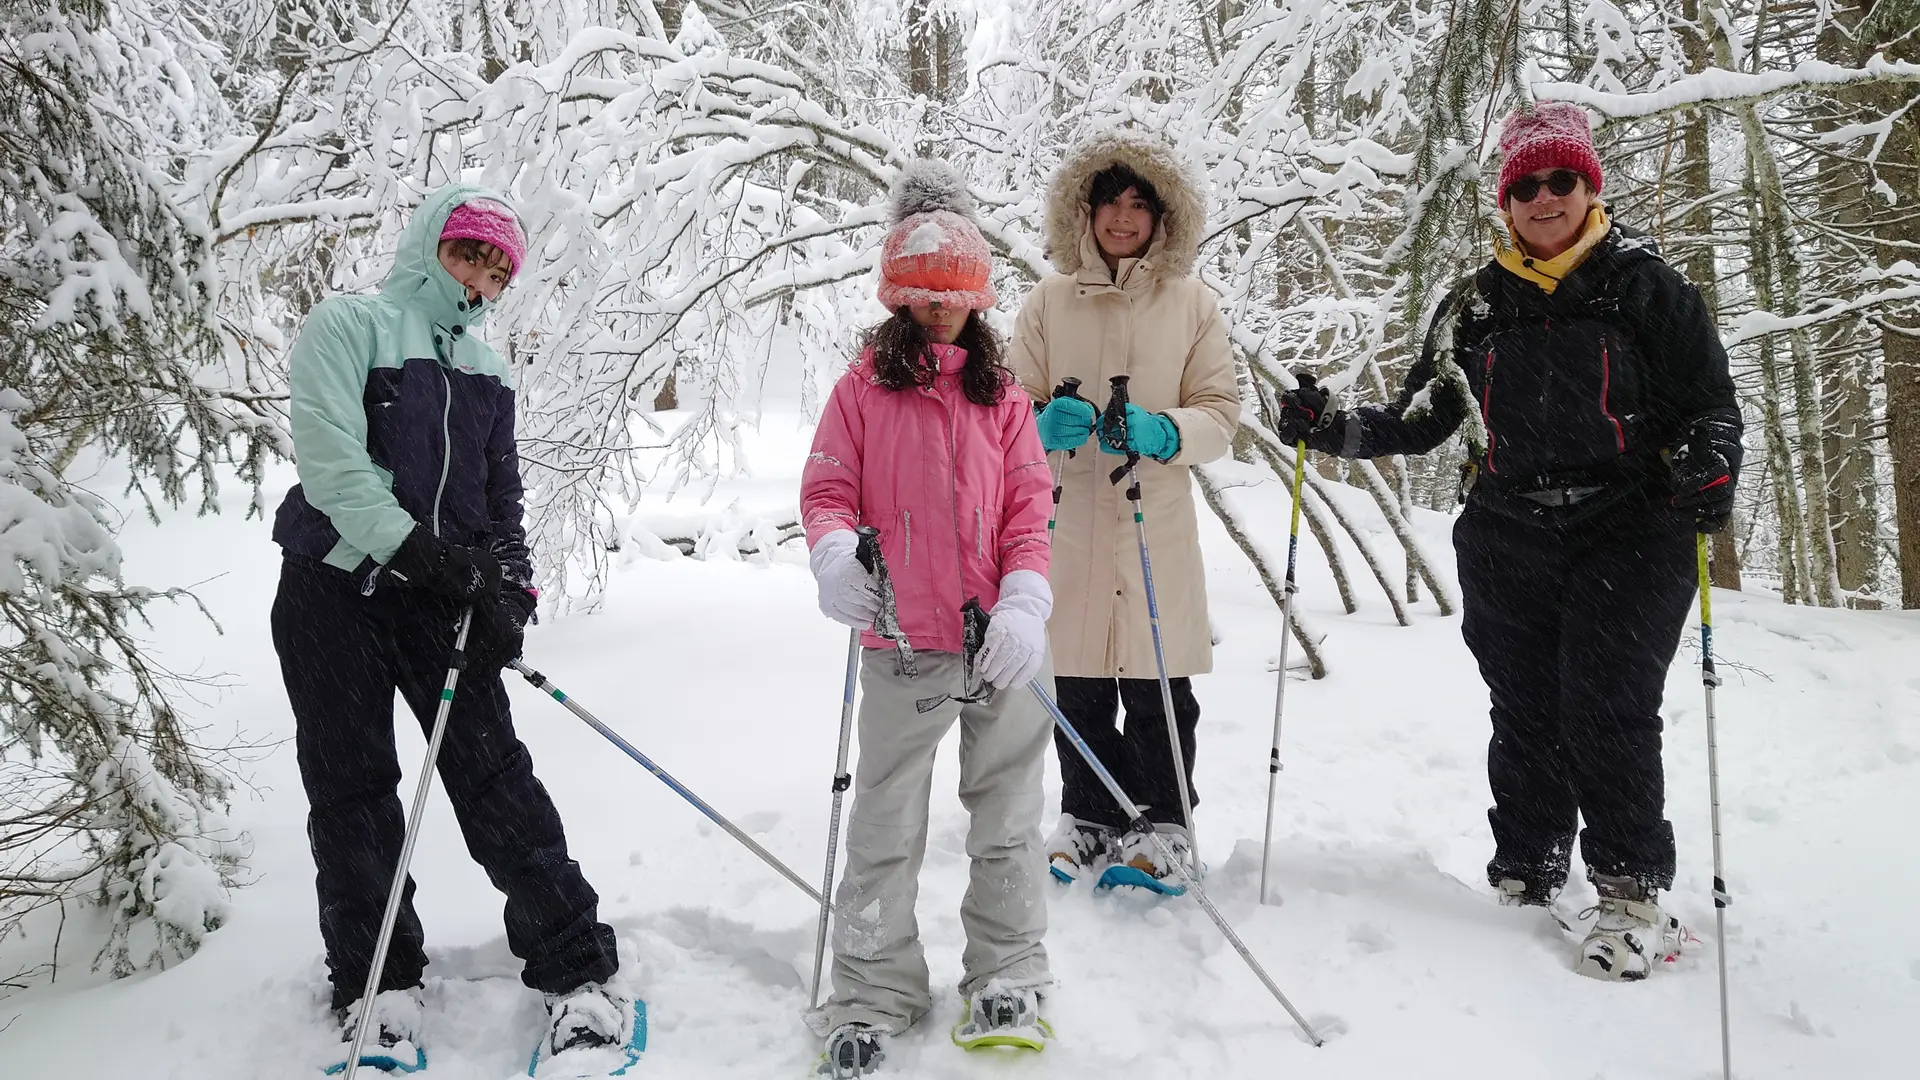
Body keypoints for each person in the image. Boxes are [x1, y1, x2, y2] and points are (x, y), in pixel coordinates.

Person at [1278, 103, 1742, 981]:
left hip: (1631, 524)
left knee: (1604, 703)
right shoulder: (1476, 302)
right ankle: (1529, 872)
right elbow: (1423, 417)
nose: (1543, 197)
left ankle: (1631, 890)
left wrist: (1712, 458)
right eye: (1524, 185)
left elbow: (1711, 404)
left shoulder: (1648, 289)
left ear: (1588, 186)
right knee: (1524, 705)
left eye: (1560, 179)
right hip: (1509, 527)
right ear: (1505, 199)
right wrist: (1333, 427)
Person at [269, 185, 632, 1067]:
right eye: (469, 253)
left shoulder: (486, 370)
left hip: (442, 606)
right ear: (433, 243)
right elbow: (331, 466)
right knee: (353, 794)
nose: (479, 277)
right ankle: (377, 989)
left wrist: (511, 591)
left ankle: (573, 972)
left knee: (495, 780)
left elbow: (501, 499)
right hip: (334, 595)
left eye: (498, 269)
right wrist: (424, 557)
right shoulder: (348, 325)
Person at [800, 160, 1056, 1077]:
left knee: (1009, 817)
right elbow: (828, 488)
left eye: (954, 297)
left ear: (977, 300)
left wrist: (1027, 597)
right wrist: (833, 555)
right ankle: (873, 989)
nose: (939, 312)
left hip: (1004, 645)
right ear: (897, 295)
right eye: (922, 295)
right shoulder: (861, 390)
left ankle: (1009, 973)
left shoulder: (1004, 394)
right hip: (902, 644)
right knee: (884, 822)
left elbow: (1031, 505)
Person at [1008, 131, 1240, 890]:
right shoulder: (1046, 301)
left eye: (1140, 203)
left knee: (1157, 682)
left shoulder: (1192, 303)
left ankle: (1167, 822)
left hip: (1153, 517)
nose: (1123, 217)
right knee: (1076, 678)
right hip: (1069, 518)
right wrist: (1040, 428)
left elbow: (1220, 411)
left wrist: (1167, 430)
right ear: (1086, 209)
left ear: (1162, 215)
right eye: (1110, 201)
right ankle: (1090, 815)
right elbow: (1006, 409)